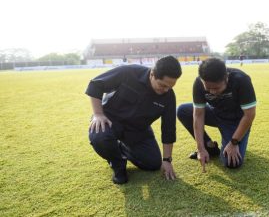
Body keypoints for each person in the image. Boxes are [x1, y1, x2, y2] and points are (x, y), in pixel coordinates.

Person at [86, 56, 182, 184]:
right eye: (162, 85)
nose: (166, 90)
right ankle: (118, 164)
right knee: (100, 137)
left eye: (170, 87)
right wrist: (98, 114)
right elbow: (95, 85)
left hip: (138, 130)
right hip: (110, 121)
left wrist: (167, 160)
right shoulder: (128, 72)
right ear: (152, 74)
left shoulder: (169, 96)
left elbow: (168, 129)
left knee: (153, 163)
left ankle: (122, 148)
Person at [177, 58, 257, 171]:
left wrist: (234, 142)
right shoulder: (199, 82)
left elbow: (249, 115)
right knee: (182, 110)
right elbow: (198, 115)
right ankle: (209, 147)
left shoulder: (241, 80)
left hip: (236, 121)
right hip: (215, 114)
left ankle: (234, 140)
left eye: (216, 88)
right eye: (208, 88)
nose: (212, 92)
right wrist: (200, 148)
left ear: (226, 78)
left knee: (232, 163)